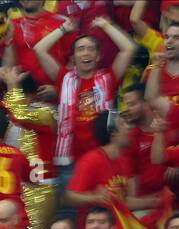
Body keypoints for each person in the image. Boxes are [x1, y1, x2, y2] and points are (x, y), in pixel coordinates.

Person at [33, 16, 138, 191]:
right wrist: (63, 29)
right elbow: (39, 49)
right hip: (70, 161)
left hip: (101, 157)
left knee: (102, 207)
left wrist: (106, 24)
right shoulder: (62, 78)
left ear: (98, 56)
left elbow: (129, 48)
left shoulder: (108, 78)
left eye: (91, 49)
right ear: (73, 57)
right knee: (75, 209)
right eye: (80, 49)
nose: (86, 53)